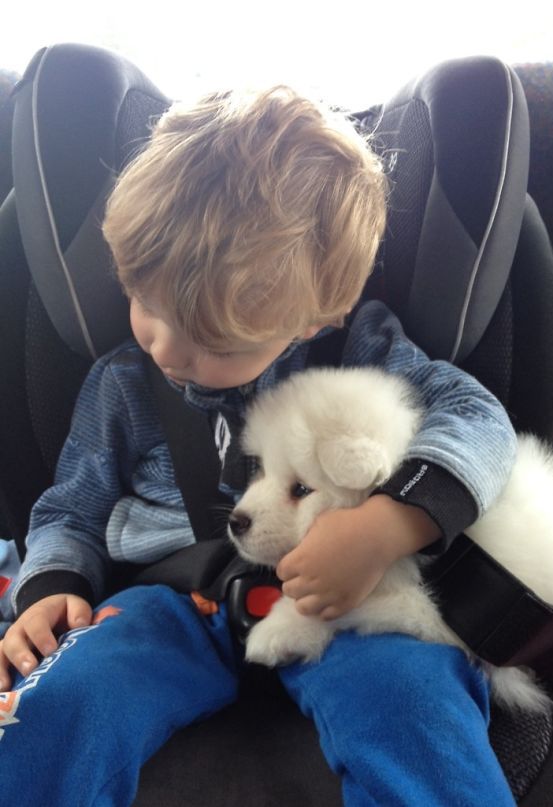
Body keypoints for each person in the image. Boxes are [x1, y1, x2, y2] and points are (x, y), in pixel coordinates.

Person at [0, 86, 518, 806]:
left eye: (213, 339)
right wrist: (54, 587)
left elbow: (478, 418)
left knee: (416, 707)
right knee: (51, 711)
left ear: (313, 319)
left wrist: (386, 526)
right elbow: (71, 509)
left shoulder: (360, 348)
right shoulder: (122, 382)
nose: (164, 347)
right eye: (145, 300)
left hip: (343, 599)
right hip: (167, 602)